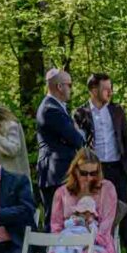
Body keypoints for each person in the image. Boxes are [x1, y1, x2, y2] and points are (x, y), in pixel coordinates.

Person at [73, 73, 127, 253]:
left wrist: (126, 166)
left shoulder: (117, 111)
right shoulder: (80, 113)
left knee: (124, 211)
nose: (110, 92)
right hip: (94, 171)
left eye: (111, 88)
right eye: (105, 89)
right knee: (96, 212)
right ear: (94, 90)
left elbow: (126, 140)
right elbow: (79, 145)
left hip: (117, 167)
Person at [36, 67, 86, 220]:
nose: (72, 88)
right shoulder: (50, 109)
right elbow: (77, 139)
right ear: (59, 86)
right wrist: (78, 133)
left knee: (65, 221)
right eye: (69, 84)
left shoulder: (56, 107)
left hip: (59, 173)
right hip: (56, 174)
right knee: (55, 221)